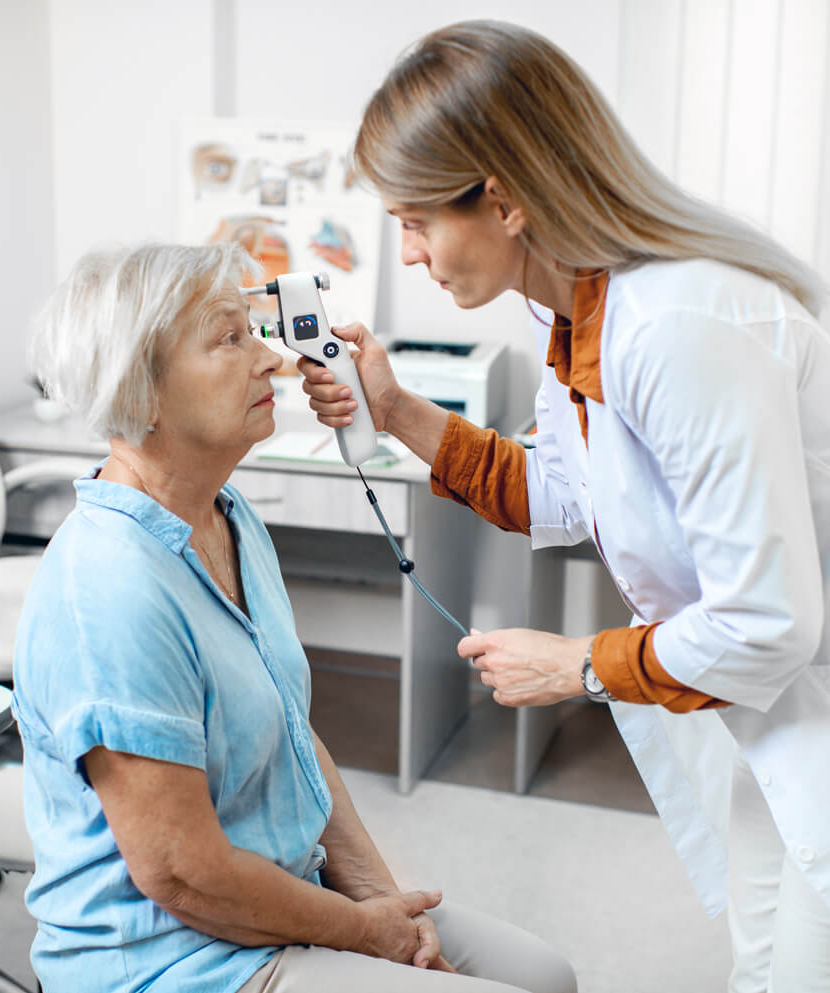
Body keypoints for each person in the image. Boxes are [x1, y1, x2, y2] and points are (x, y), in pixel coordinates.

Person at [298, 19, 830, 993]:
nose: (408, 254)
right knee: (762, 957)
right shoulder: (574, 303)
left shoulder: (678, 325)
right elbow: (566, 493)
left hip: (801, 688)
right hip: (760, 699)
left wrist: (576, 665)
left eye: (417, 222)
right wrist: (398, 410)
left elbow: (769, 623)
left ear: (499, 197)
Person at [10, 241, 577, 993]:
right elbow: (185, 875)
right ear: (139, 391)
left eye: (255, 330)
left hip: (282, 895)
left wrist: (384, 909)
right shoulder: (109, 588)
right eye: (230, 337)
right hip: (176, 961)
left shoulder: (228, 516)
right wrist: (361, 930)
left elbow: (289, 730)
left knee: (546, 976)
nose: (270, 360)